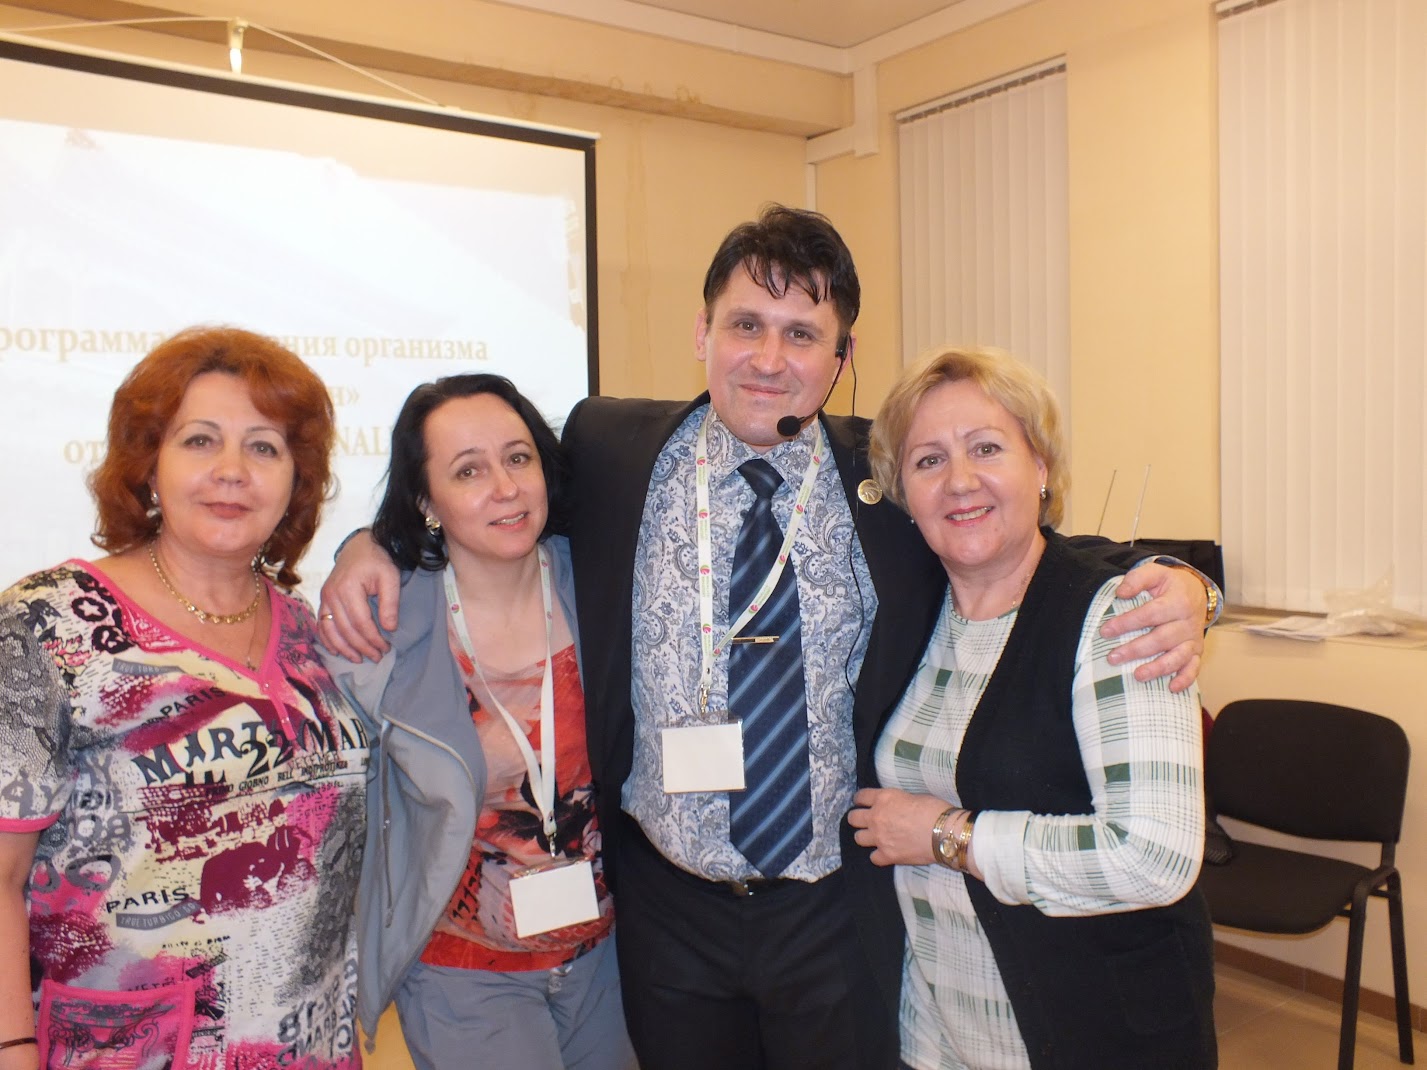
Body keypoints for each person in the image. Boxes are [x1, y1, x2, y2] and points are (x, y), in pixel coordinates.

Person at [317, 205, 1218, 1070]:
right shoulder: (609, 447)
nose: (768, 358)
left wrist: (1184, 584)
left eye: (802, 333)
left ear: (841, 357)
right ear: (701, 332)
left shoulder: (889, 474)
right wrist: (369, 545)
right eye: (745, 324)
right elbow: (486, 500)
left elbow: (1013, 531)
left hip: (834, 908)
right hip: (667, 907)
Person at [0, 327, 366, 1070]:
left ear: (295, 480)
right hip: (127, 1049)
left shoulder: (313, 632)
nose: (232, 471)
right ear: (148, 466)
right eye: (200, 441)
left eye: (264, 447)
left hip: (308, 1045)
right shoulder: (46, 624)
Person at [847, 347, 1215, 1070]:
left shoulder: (1120, 619)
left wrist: (947, 836)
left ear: (1039, 467)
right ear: (904, 496)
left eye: (986, 448)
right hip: (938, 1029)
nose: (959, 480)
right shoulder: (911, 615)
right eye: (928, 460)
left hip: (1087, 1031)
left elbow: (1153, 857)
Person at [323, 374, 634, 1070]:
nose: (505, 487)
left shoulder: (602, 581)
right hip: (464, 975)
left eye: (518, 458)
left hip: (610, 962)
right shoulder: (383, 625)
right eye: (468, 471)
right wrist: (361, 544)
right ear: (425, 501)